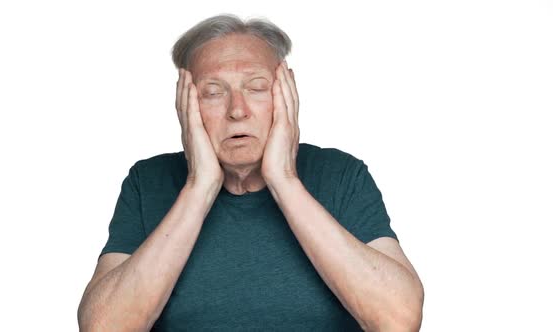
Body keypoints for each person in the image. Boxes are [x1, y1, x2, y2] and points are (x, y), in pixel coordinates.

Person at [77, 14, 424, 331]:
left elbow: (398, 319)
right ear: (185, 104)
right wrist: (199, 187)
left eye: (257, 87)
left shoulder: (340, 174)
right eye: (213, 92)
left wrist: (284, 180)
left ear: (286, 94)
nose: (237, 110)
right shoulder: (148, 181)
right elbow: (104, 326)